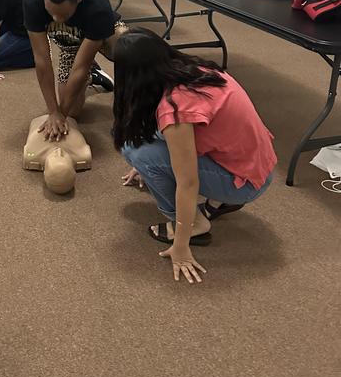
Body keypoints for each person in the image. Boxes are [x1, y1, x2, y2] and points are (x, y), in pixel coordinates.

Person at [113, 29, 277, 284]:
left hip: (244, 181)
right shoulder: (194, 69)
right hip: (256, 165)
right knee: (146, 137)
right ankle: (217, 200)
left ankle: (197, 224)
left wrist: (181, 247)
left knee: (136, 150)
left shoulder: (174, 109)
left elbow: (188, 184)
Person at [23, 0, 123, 139]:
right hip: (70, 43)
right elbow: (42, 61)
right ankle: (94, 77)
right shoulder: (32, 1)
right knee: (73, 112)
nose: (57, 19)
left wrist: (60, 114)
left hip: (101, 35)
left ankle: (127, 98)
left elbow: (81, 66)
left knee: (123, 41)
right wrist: (55, 111)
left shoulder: (97, 4)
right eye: (51, 13)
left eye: (63, 15)